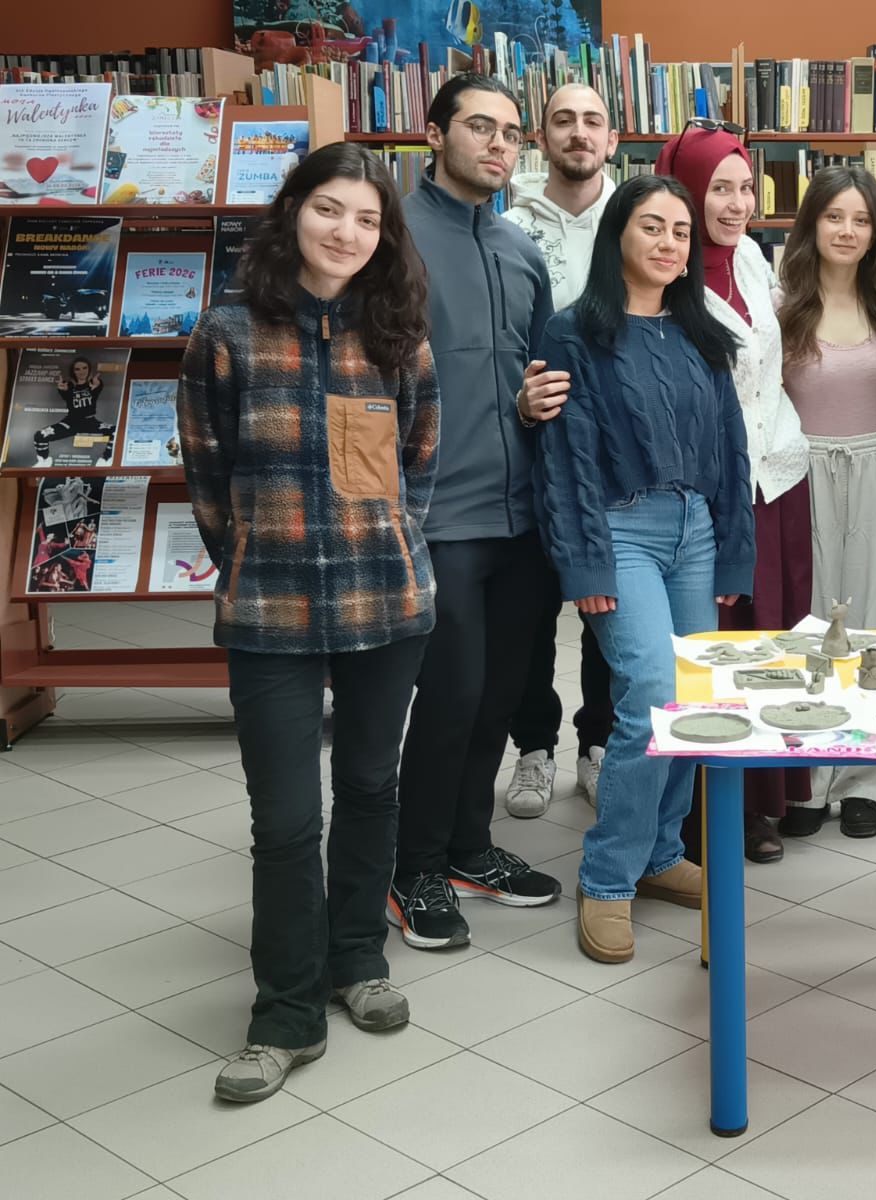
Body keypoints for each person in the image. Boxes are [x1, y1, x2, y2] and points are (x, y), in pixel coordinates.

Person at [177, 143, 439, 1100]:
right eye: (330, 208)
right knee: (285, 820)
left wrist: (390, 547)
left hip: (386, 604)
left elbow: (419, 468)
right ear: (292, 211)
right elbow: (208, 478)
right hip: (270, 610)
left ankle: (356, 959)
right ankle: (285, 1011)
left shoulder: (399, 338)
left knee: (369, 787)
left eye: (368, 219)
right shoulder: (226, 334)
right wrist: (255, 556)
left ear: (385, 235)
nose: (346, 232)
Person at [533, 174, 754, 964]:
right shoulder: (573, 333)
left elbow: (731, 446)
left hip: (696, 530)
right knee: (652, 693)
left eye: (680, 232)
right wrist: (585, 562)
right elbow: (564, 459)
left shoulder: (702, 332)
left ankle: (661, 853)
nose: (668, 243)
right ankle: (608, 876)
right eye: (651, 226)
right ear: (618, 235)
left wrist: (733, 549)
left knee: (695, 696)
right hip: (620, 532)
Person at [390, 73, 562, 952]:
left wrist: (534, 402)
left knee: (500, 695)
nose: (500, 145)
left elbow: (538, 372)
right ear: (434, 134)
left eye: (511, 133)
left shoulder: (521, 249)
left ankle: (468, 847)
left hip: (521, 516)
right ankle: (413, 867)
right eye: (481, 127)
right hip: (437, 517)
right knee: (450, 697)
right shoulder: (391, 240)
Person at [657, 122, 811, 864]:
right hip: (710, 491)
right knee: (715, 651)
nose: (737, 204)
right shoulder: (664, 272)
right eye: (720, 188)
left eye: (746, 188)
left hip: (776, 477)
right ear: (686, 190)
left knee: (770, 641)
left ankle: (765, 801)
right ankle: (706, 810)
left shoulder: (751, 256)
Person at [775, 164, 876, 840]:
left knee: (875, 627)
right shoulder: (780, 304)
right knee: (811, 628)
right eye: (835, 217)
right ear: (812, 224)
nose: (848, 230)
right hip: (803, 473)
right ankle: (806, 779)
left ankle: (863, 780)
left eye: (861, 219)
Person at [500, 82, 622, 816]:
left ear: (613, 139)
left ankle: (598, 744)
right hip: (532, 452)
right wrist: (518, 401)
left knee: (612, 612)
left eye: (593, 121)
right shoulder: (508, 229)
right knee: (531, 615)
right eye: (564, 120)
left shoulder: (636, 219)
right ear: (540, 138)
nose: (579, 132)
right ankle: (535, 749)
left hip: (617, 461)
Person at [35, 356, 116, 466]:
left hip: (90, 422)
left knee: (116, 431)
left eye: (84, 368)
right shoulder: (68, 385)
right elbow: (66, 396)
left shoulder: (93, 383)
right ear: (73, 371)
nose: (82, 371)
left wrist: (97, 385)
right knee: (40, 435)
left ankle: (105, 460)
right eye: (77, 369)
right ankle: (43, 461)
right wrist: (62, 390)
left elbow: (97, 387)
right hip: (70, 423)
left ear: (89, 369)